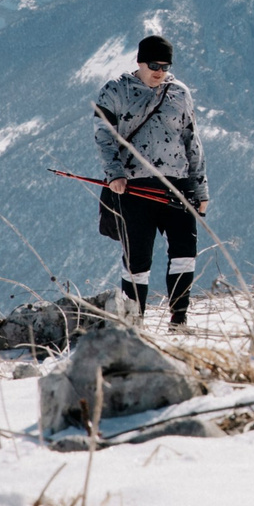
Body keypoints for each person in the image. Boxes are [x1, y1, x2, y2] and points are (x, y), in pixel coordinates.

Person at [91, 33, 209, 326]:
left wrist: (201, 189)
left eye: (165, 66)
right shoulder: (115, 90)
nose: (159, 71)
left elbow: (192, 140)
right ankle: (133, 322)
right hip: (133, 187)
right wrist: (114, 174)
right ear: (139, 61)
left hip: (177, 186)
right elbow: (103, 135)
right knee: (137, 259)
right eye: (154, 64)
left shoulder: (180, 92)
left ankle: (179, 318)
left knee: (185, 252)